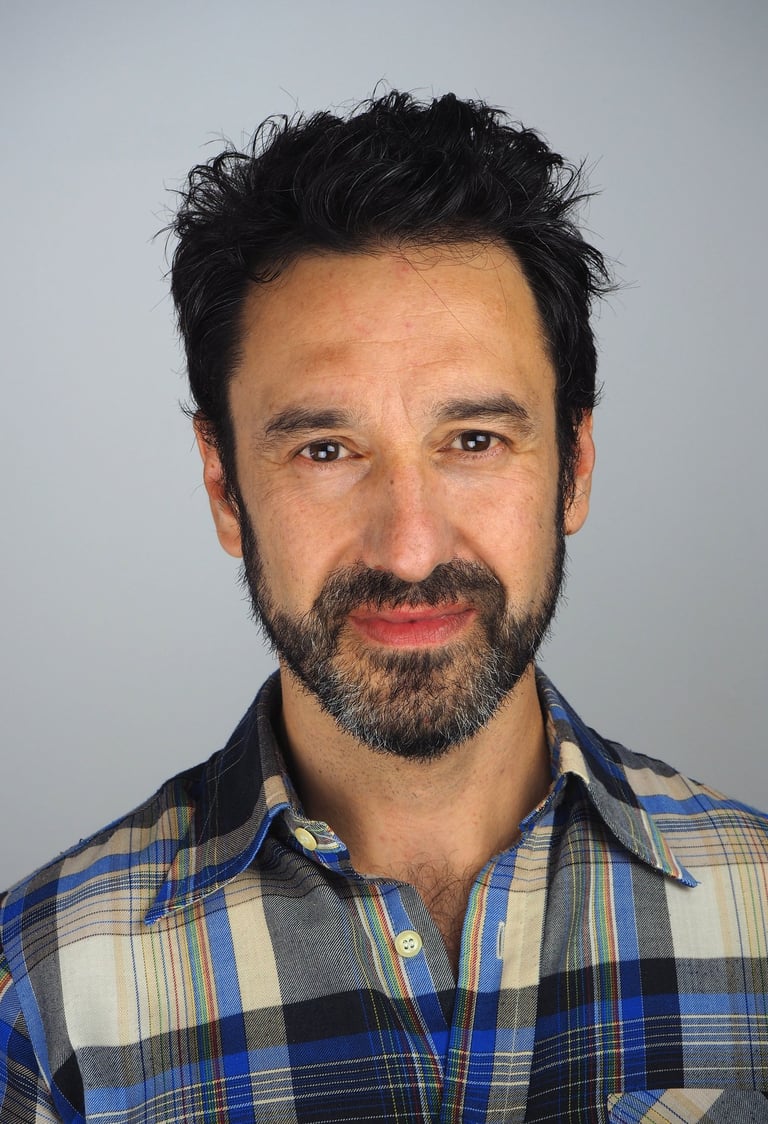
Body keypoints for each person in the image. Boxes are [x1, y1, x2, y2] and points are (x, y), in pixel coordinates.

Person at [1, 91, 766, 1124]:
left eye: (475, 441)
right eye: (326, 450)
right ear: (225, 488)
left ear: (575, 467)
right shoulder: (43, 997)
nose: (410, 549)